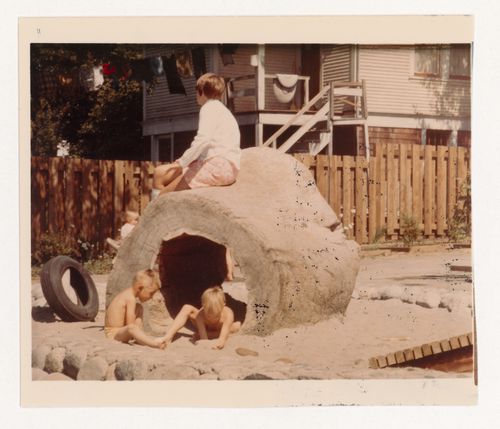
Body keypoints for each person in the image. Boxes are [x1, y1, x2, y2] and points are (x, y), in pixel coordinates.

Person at [151, 72, 241, 198]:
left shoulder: (208, 108)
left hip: (215, 167)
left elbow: (203, 140)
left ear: (201, 92)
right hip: (228, 167)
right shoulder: (224, 111)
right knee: (159, 173)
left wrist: (181, 163)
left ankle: (155, 212)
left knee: (164, 195)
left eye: (196, 91)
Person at [160, 286, 241, 350]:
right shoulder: (200, 315)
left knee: (237, 326)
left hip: (220, 329)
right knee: (187, 308)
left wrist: (219, 343)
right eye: (208, 315)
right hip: (206, 327)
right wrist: (204, 340)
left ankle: (212, 334)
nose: (211, 318)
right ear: (202, 305)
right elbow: (203, 339)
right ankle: (168, 337)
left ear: (223, 305)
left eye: (216, 315)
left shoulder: (228, 314)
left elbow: (222, 339)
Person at [104, 269, 165, 349]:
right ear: (140, 288)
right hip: (114, 333)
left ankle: (141, 338)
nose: (152, 297)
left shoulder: (129, 295)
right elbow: (130, 325)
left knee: (139, 307)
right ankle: (154, 344)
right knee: (132, 328)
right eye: (151, 293)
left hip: (120, 331)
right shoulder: (130, 298)